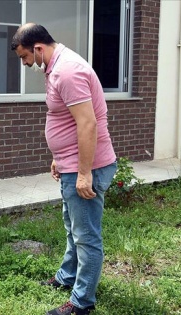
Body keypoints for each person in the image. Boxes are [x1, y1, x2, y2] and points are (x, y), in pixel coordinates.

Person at [11, 23, 117, 315]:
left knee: (86, 236)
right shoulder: (55, 66)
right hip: (72, 162)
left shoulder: (66, 71)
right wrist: (60, 155)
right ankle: (66, 277)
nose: (25, 64)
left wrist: (84, 173)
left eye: (25, 58)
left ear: (38, 48)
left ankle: (82, 302)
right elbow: (68, 119)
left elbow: (88, 123)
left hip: (88, 168)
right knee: (73, 228)